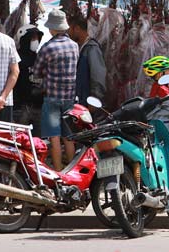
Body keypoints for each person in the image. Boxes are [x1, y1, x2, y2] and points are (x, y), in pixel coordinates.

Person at [31, 9, 79, 171]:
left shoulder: (47, 48)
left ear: (52, 28)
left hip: (51, 98)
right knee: (69, 137)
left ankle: (58, 171)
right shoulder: (74, 46)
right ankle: (72, 172)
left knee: (54, 137)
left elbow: (37, 73)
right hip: (70, 99)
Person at [142, 55, 169, 144]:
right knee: (166, 150)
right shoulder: (163, 90)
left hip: (153, 123)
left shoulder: (154, 87)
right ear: (160, 74)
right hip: (164, 125)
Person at [68, 12, 107, 109]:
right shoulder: (79, 48)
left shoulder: (92, 49)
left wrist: (94, 99)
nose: (67, 33)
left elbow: (98, 75)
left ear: (77, 29)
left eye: (69, 29)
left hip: (86, 103)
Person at [13, 23, 44, 133]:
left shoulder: (40, 57)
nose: (35, 41)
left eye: (37, 38)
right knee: (20, 139)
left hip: (39, 107)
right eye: (32, 38)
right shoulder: (16, 58)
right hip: (21, 107)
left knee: (38, 143)